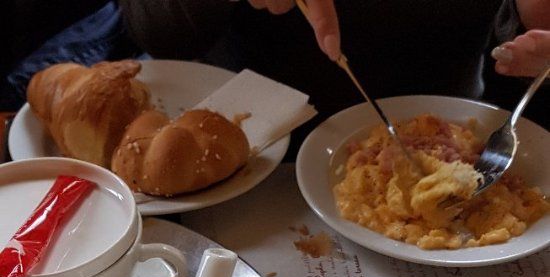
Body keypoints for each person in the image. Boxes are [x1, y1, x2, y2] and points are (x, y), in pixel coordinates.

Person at [119, 0, 550, 126]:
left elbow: (514, 69)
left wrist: (531, 41)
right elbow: (155, 28)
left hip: (462, 144)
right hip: (247, 161)